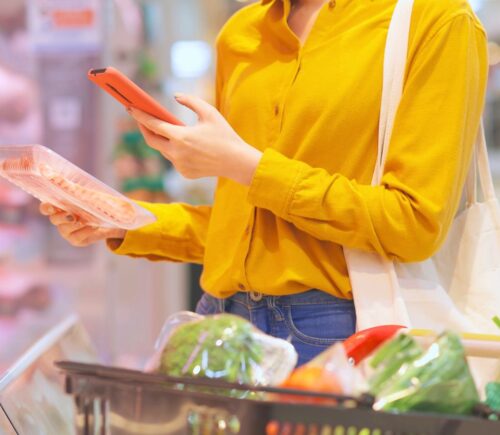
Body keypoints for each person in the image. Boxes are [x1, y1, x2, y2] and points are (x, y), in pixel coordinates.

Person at [41, 0, 488, 366]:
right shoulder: (243, 33)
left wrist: (248, 168)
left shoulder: (436, 21)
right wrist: (124, 221)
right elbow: (249, 232)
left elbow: (412, 223)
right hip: (218, 319)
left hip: (346, 333)